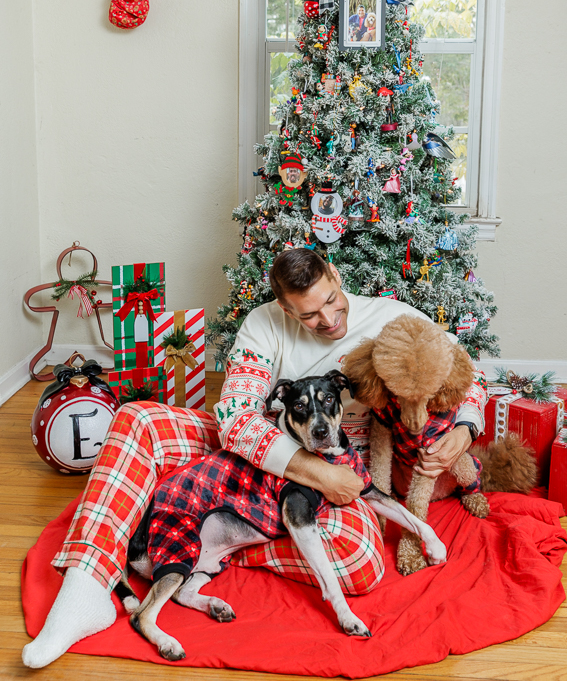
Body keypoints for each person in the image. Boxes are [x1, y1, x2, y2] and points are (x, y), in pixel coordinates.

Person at [22, 250, 486, 668]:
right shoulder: (263, 325)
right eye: (310, 314)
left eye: (333, 300)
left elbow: (470, 374)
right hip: (254, 454)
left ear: (336, 276)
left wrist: (465, 429)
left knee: (362, 564)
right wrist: (317, 473)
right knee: (135, 420)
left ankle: (210, 548)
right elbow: (235, 418)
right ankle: (86, 585)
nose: (328, 318)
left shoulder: (396, 318)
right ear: (285, 309)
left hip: (349, 468)